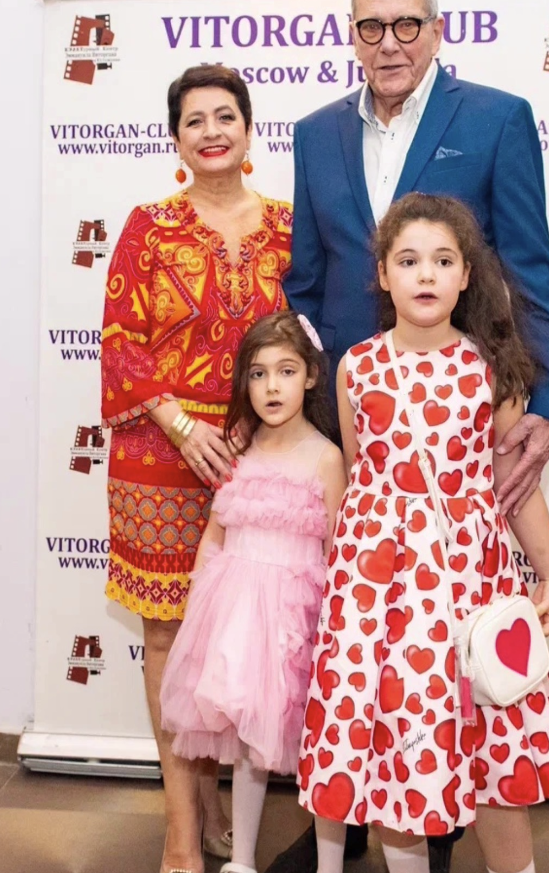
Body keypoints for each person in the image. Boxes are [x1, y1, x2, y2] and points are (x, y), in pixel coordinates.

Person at [298, 193, 549, 873]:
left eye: (444, 261)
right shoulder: (356, 366)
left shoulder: (488, 370)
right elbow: (360, 478)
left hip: (469, 583)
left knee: (493, 744)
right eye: (409, 260)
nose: (426, 274)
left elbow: (512, 485)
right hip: (380, 595)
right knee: (400, 751)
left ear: (467, 276)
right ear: (382, 275)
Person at [285, 0, 549, 526]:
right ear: (353, 36)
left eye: (407, 25)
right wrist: (311, 396)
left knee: (454, 564)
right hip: (348, 413)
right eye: (372, 27)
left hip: (459, 413)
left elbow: (531, 273)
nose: (389, 43)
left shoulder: (498, 120)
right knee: (354, 564)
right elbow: (306, 284)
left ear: (437, 32)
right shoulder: (314, 134)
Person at [100, 65, 293, 873]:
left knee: (237, 636)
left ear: (249, 130)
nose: (211, 131)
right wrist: (182, 426)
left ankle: (217, 801)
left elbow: (307, 336)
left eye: (225, 116)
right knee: (168, 635)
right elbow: (121, 340)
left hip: (262, 455)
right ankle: (181, 828)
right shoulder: (149, 226)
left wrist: (254, 422)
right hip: (160, 457)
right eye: (194, 120)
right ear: (175, 139)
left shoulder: (290, 226)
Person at [159, 311, 347, 873]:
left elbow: (338, 547)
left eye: (286, 371)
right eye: (259, 373)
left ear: (310, 376)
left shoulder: (326, 457)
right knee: (246, 743)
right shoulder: (238, 450)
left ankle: (330, 865)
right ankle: (241, 859)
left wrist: (339, 628)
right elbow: (215, 534)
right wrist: (200, 611)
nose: (271, 387)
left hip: (297, 623)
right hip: (238, 618)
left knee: (322, 746)